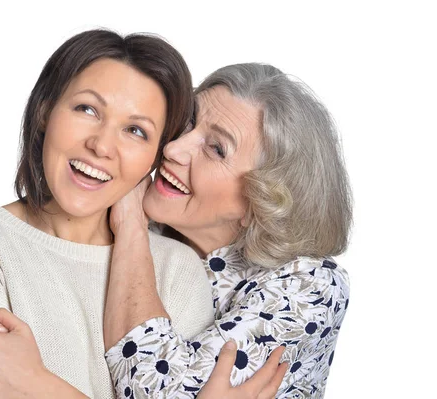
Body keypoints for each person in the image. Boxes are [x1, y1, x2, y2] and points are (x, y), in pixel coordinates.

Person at [0, 30, 287, 399]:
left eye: (136, 131)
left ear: (155, 154)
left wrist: (32, 383)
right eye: (87, 109)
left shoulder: (177, 270)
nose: (101, 145)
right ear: (46, 110)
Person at [103, 63, 352, 398]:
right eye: (188, 123)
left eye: (216, 148)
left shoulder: (311, 284)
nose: (173, 149)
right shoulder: (134, 230)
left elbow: (157, 393)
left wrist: (131, 225)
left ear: (262, 200)